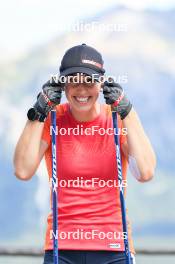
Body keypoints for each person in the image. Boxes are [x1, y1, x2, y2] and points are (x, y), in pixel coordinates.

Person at [14, 44, 156, 264]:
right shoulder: (51, 119)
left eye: (89, 81)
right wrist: (38, 111)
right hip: (62, 246)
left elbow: (145, 173)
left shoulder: (117, 119)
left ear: (101, 83)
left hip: (114, 246)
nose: (81, 90)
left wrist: (128, 111)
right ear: (62, 85)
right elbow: (23, 170)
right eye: (73, 81)